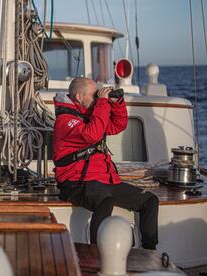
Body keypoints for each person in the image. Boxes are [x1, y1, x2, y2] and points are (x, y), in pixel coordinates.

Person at [53, 77, 159, 250]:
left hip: (105, 179)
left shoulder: (92, 116)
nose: (97, 99)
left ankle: (149, 251)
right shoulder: (65, 121)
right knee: (105, 201)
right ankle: (97, 253)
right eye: (94, 95)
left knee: (150, 200)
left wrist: (116, 103)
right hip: (75, 182)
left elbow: (118, 125)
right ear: (79, 96)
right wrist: (102, 102)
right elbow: (92, 135)